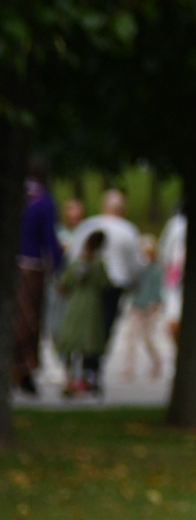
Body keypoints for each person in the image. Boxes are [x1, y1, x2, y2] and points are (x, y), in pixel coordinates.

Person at [69, 189, 145, 366]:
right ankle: (94, 364)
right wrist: (136, 285)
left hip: (87, 284)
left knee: (85, 323)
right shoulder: (128, 230)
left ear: (101, 206)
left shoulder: (87, 226)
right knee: (105, 325)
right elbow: (137, 264)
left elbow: (73, 257)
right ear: (123, 209)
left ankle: (83, 362)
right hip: (114, 286)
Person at [15, 168, 62, 396]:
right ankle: (23, 368)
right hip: (31, 266)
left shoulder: (12, 194)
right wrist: (58, 266)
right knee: (29, 319)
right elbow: (48, 237)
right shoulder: (43, 201)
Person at [54, 230, 111, 397]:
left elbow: (64, 284)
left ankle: (71, 379)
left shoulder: (76, 263)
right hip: (92, 305)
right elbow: (104, 284)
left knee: (72, 342)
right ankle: (87, 378)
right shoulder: (98, 264)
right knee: (89, 342)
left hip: (74, 304)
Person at [118, 236, 167, 383]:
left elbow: (157, 289)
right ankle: (128, 369)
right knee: (130, 338)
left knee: (147, 338)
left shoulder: (156, 269)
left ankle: (157, 362)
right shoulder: (139, 268)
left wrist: (154, 304)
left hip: (149, 307)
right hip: (137, 305)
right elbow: (132, 284)